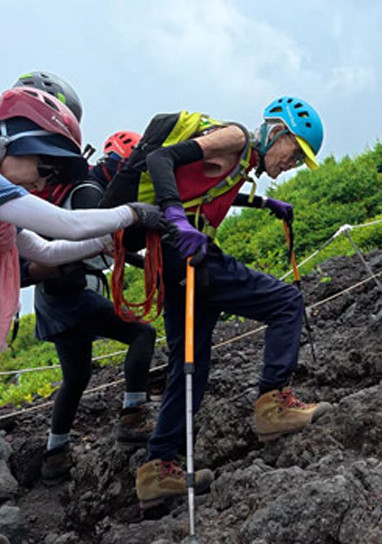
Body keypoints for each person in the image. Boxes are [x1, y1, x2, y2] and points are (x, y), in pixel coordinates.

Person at [132, 97, 332, 509]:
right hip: (190, 251)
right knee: (286, 302)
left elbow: (204, 187)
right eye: (294, 152)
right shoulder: (237, 138)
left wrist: (264, 203)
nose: (291, 164)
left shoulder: (242, 165)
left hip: (173, 257)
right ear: (277, 132)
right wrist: (176, 217)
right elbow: (160, 159)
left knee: (190, 366)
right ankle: (273, 405)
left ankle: (156, 469)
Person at [26, 133, 157, 485]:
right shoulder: (90, 192)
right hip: (72, 291)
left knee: (77, 376)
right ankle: (133, 416)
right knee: (142, 334)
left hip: (52, 295)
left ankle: (55, 455)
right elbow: (100, 243)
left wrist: (142, 263)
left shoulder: (81, 188)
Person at [0, 87, 165, 340]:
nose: (41, 185)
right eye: (44, 168)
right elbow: (68, 225)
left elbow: (46, 251)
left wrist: (107, 240)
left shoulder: (7, 219)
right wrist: (133, 213)